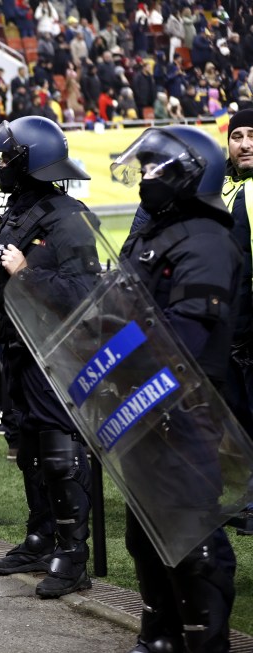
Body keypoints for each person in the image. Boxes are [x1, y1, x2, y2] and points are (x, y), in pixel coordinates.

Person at [112, 125, 242, 653]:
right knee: (145, 534)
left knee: (191, 534)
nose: (145, 176)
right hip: (142, 403)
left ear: (188, 174)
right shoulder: (157, 232)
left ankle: (204, 642)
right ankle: (160, 636)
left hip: (184, 408)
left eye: (153, 167)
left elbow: (184, 336)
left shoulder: (208, 240)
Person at [0, 116, 98, 598]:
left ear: (31, 163)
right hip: (17, 345)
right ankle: (41, 538)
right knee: (27, 446)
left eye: (7, 157)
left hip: (54, 351)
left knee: (60, 452)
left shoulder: (68, 217)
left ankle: (72, 556)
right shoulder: (20, 211)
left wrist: (26, 274)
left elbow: (85, 292)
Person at [222, 108, 253, 535]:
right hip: (230, 322)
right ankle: (247, 499)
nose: (246, 143)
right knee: (239, 417)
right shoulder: (222, 188)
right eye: (239, 136)